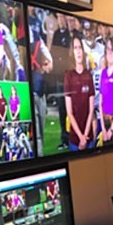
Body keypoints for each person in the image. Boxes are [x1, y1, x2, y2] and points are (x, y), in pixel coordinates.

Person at [28, 6, 53, 154]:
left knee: (41, 131)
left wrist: (46, 64)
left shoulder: (39, 41)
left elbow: (50, 64)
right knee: (36, 133)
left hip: (41, 90)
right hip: (32, 91)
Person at [64, 36, 95, 151]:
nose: (78, 51)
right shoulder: (68, 76)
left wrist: (85, 136)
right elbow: (69, 112)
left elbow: (91, 110)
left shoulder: (89, 76)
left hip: (89, 137)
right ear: (72, 52)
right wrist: (80, 137)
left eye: (80, 47)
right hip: (74, 139)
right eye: (75, 48)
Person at [51, 12, 71, 150]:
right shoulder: (57, 34)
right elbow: (53, 53)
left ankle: (72, 137)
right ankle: (64, 138)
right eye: (58, 17)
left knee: (71, 109)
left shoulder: (70, 35)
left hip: (70, 77)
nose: (60, 20)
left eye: (62, 17)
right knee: (62, 109)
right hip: (59, 78)